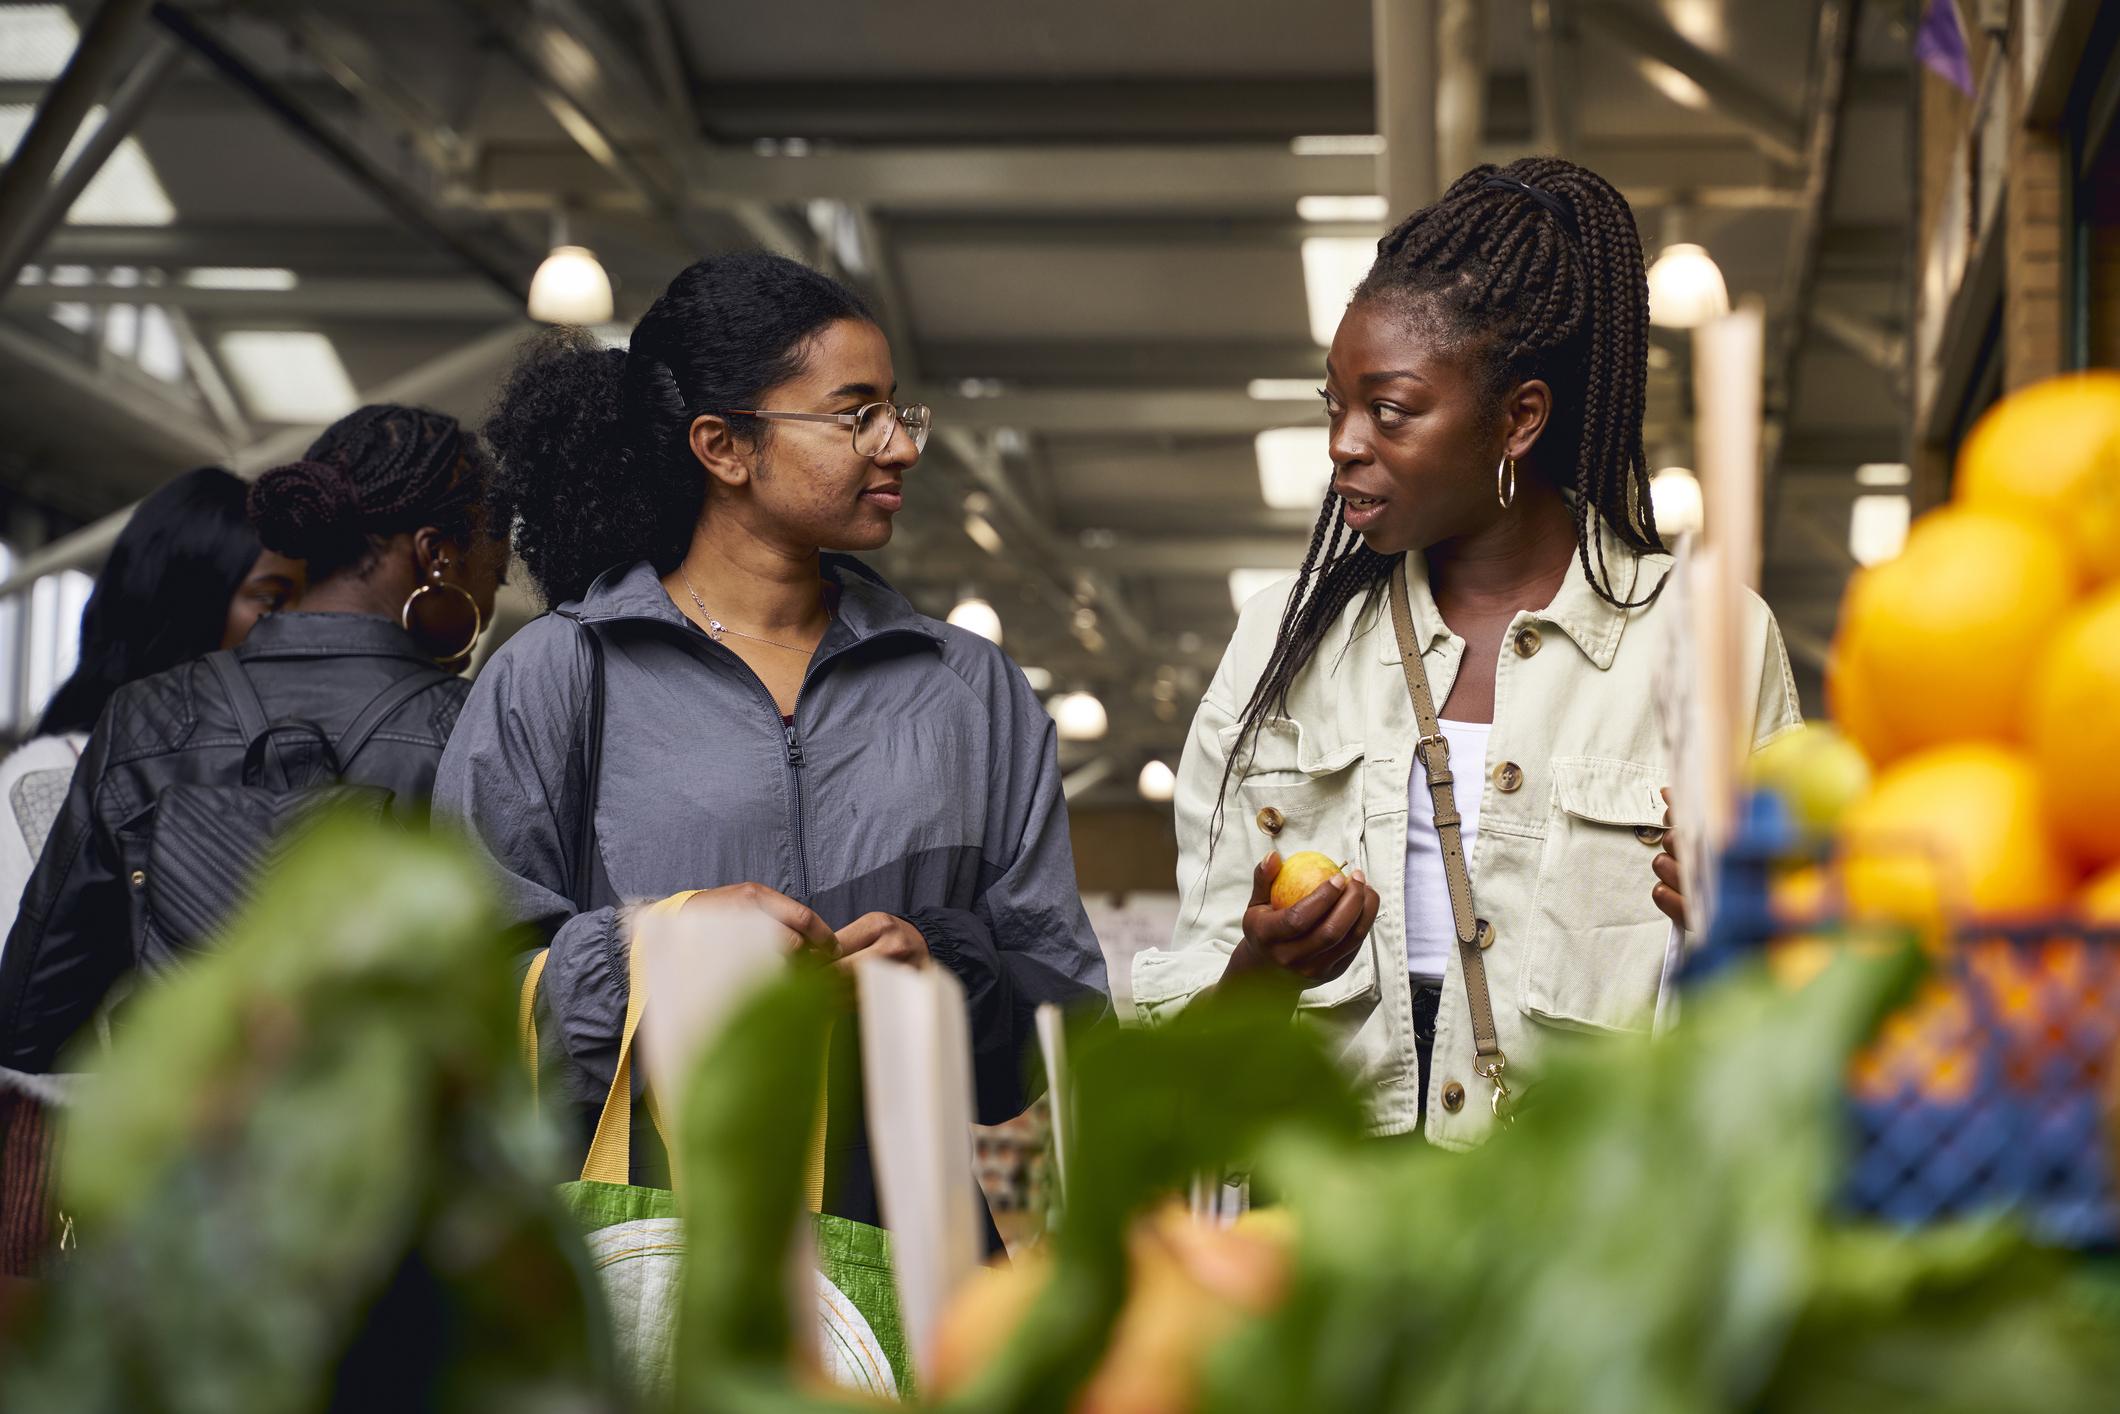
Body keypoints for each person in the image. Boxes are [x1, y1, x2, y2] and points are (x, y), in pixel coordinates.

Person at [1131, 159, 1799, 1147]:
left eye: (1389, 410)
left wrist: (1736, 929)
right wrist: (1259, 972)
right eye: (1334, 407)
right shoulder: (1282, 642)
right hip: (1325, 1230)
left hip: (1589, 1244)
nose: (1343, 444)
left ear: (1518, 418)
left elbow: (1798, 1006)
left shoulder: (1706, 640)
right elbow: (1184, 1031)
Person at [442, 251, 1107, 1227]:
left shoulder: (970, 693)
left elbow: (1069, 1020)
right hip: (649, 1270)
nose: (901, 446)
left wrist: (945, 963)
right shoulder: (558, 677)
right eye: (855, 414)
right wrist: (659, 953)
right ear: (723, 446)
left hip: (906, 1280)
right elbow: (459, 1014)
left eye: (897, 410)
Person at [0, 404, 506, 1074]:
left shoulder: (144, 718)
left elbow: (28, 1022)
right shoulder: (481, 733)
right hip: (396, 1167)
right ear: (437, 556)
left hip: (177, 1159)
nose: (491, 603)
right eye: (490, 575)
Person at [0, 467, 303, 949]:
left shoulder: (282, 771)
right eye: (270, 600)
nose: (295, 629)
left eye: (304, 604)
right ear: (188, 604)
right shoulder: (51, 778)